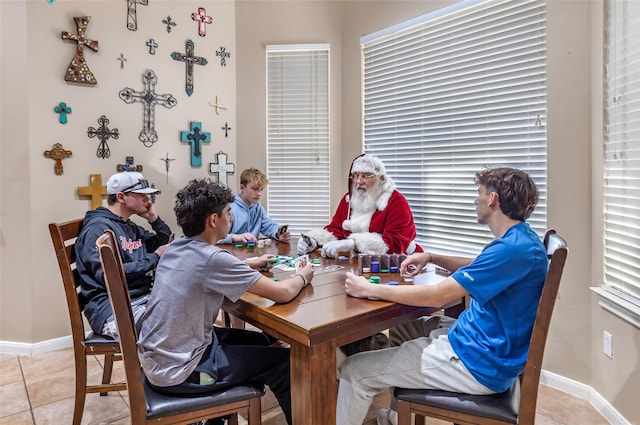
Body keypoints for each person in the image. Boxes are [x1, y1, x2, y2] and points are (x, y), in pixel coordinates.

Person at [335, 167, 548, 425]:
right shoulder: (521, 241)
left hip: (477, 362)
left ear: (493, 199)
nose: (475, 199)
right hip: (484, 342)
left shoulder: (512, 249)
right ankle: (394, 417)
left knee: (354, 371)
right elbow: (479, 264)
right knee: (404, 327)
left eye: (479, 193)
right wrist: (432, 256)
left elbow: (438, 297)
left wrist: (368, 288)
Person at [137, 179, 314, 425]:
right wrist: (302, 277)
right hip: (183, 373)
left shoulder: (176, 246)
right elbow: (282, 293)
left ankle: (215, 417)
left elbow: (203, 269)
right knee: (285, 363)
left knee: (261, 339)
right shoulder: (213, 259)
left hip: (159, 360)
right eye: (228, 213)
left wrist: (247, 264)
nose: (231, 219)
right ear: (213, 220)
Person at [75, 171, 172, 339]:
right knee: (177, 327)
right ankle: (152, 365)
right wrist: (154, 257)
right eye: (141, 195)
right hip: (111, 310)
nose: (148, 200)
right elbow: (109, 274)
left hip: (140, 299)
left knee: (191, 311)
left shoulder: (129, 226)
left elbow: (163, 245)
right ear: (121, 197)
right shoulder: (97, 229)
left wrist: (154, 219)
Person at [297, 154, 422, 258]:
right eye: (355, 176)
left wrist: (354, 244)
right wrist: (315, 242)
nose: (358, 181)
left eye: (365, 176)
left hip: (406, 264)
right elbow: (335, 229)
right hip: (362, 265)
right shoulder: (348, 200)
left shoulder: (396, 201)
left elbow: (395, 245)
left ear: (381, 178)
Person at [217, 167, 290, 245]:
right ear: (242, 187)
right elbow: (215, 237)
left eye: (261, 189)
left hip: (252, 254)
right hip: (230, 254)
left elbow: (268, 225)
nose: (259, 193)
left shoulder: (258, 207)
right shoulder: (229, 208)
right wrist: (234, 237)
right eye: (255, 189)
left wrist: (279, 234)